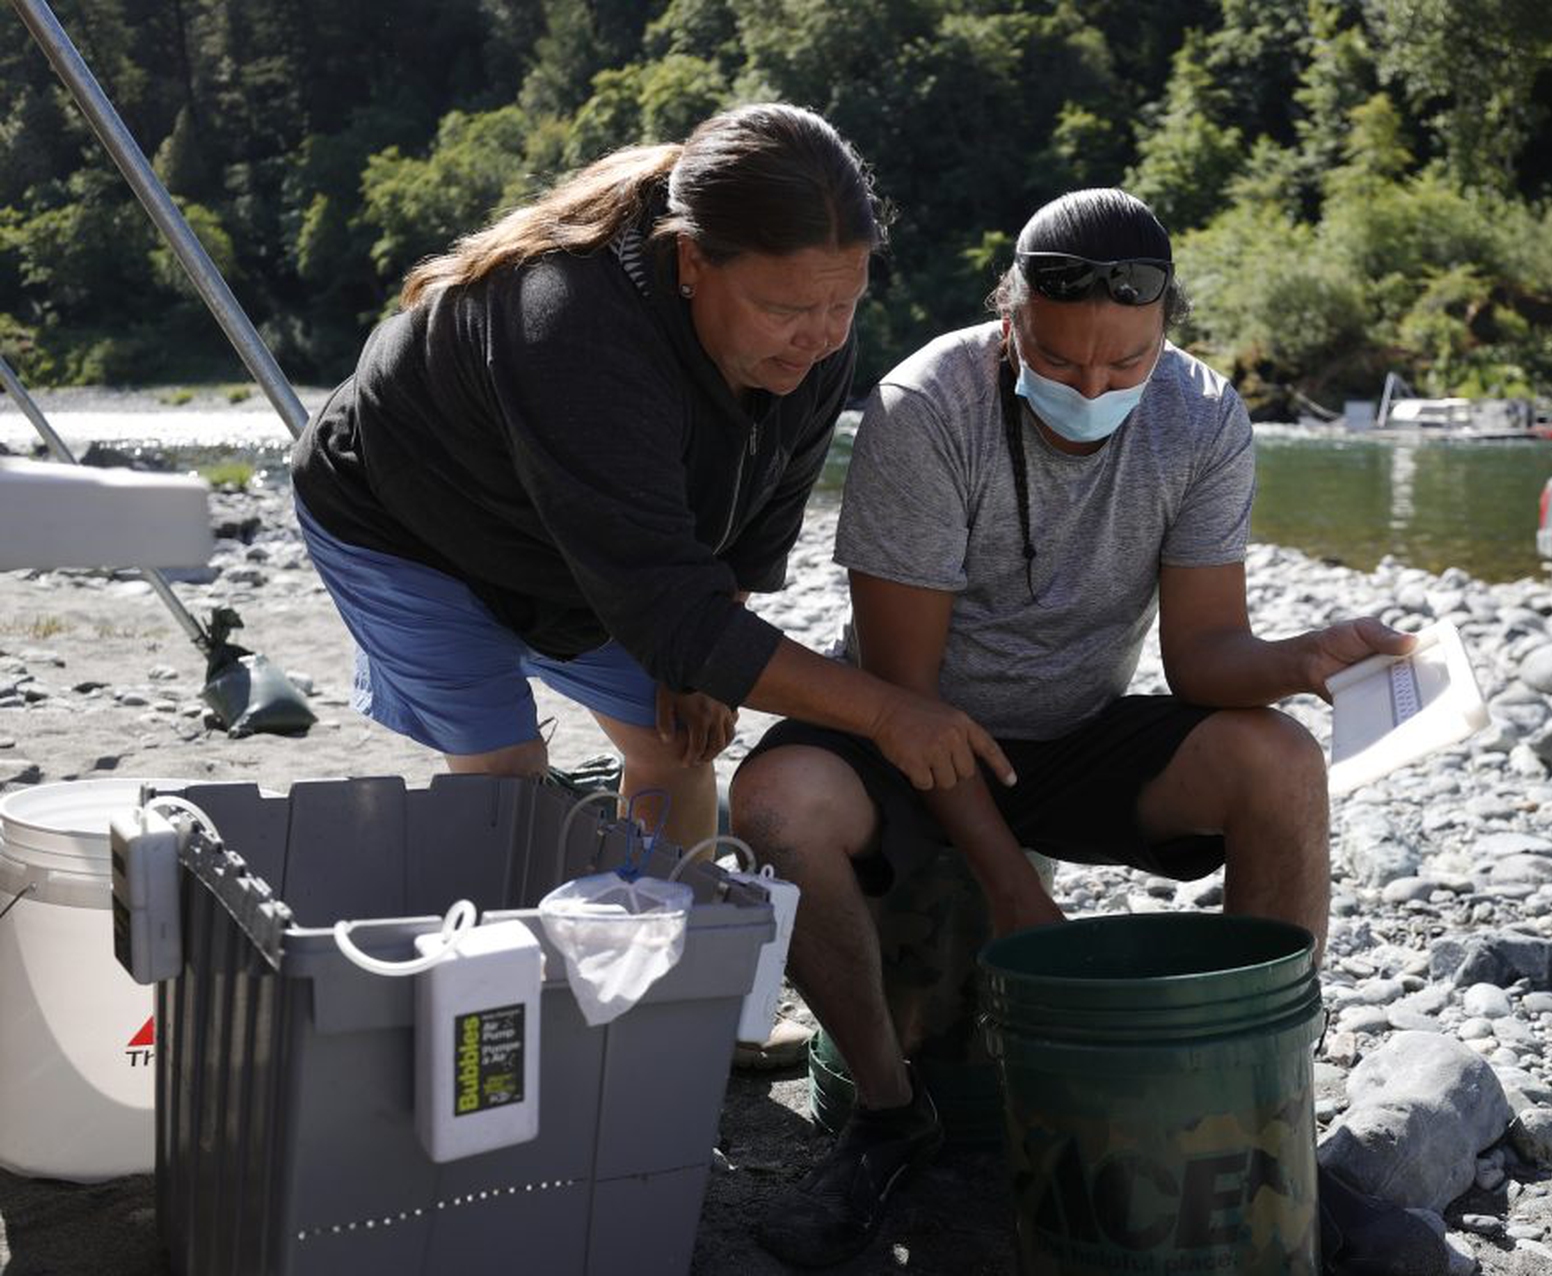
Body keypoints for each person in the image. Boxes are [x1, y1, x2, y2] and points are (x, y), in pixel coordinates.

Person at [729, 188, 1420, 1268]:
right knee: (774, 801)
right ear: (1010, 321)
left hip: (1075, 730)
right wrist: (1014, 888)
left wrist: (1303, 661)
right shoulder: (928, 406)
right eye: (1059, 363)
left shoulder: (1202, 414)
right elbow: (910, 704)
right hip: (909, 733)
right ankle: (885, 1111)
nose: (1092, 388)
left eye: (1125, 365)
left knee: (1278, 761)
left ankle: (1271, 1123)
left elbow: (1201, 659)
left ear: (1165, 335)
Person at [290, 103, 1013, 857]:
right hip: (408, 525)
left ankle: (662, 945)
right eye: (786, 308)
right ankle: (510, 963)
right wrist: (889, 713)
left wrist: (699, 661)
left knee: (679, 745)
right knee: (506, 775)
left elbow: (759, 513)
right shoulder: (570, 326)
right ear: (692, 260)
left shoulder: (812, 338)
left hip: (586, 545)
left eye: (844, 301)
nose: (824, 336)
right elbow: (667, 608)